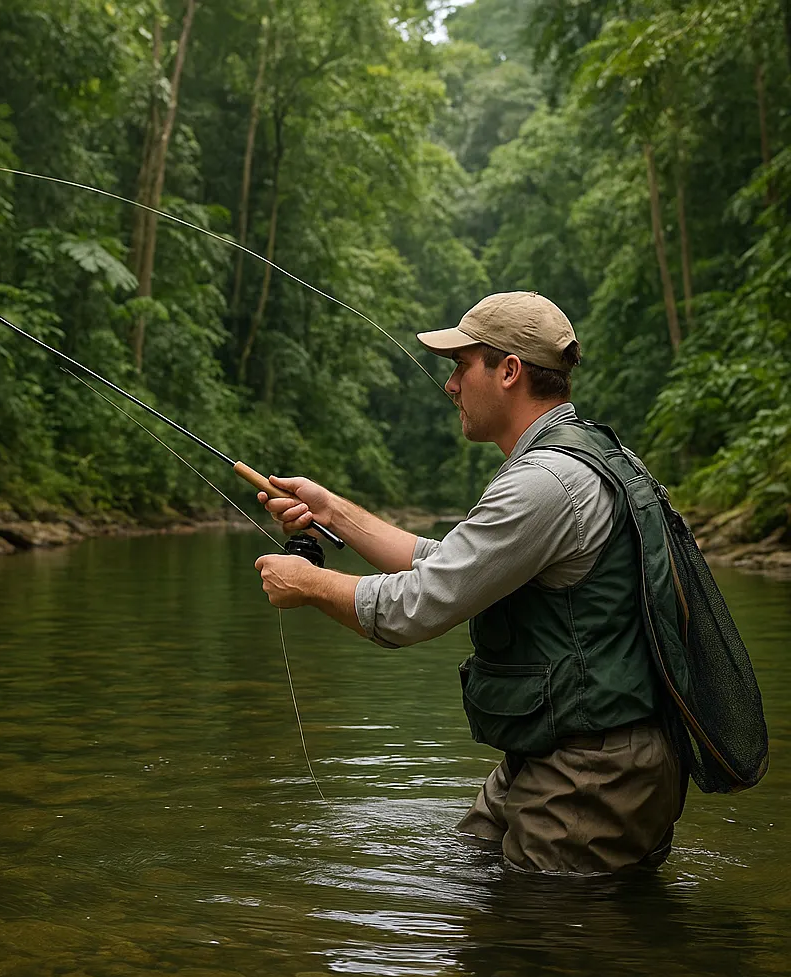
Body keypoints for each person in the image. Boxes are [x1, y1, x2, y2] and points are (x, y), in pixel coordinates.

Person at [254, 291, 686, 875]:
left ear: (508, 371)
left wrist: (309, 585)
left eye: (461, 365)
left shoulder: (545, 484)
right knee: (473, 870)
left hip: (596, 770)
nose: (450, 385)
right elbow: (453, 565)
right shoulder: (581, 458)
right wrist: (331, 511)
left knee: (533, 946)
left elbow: (418, 608)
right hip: (566, 751)